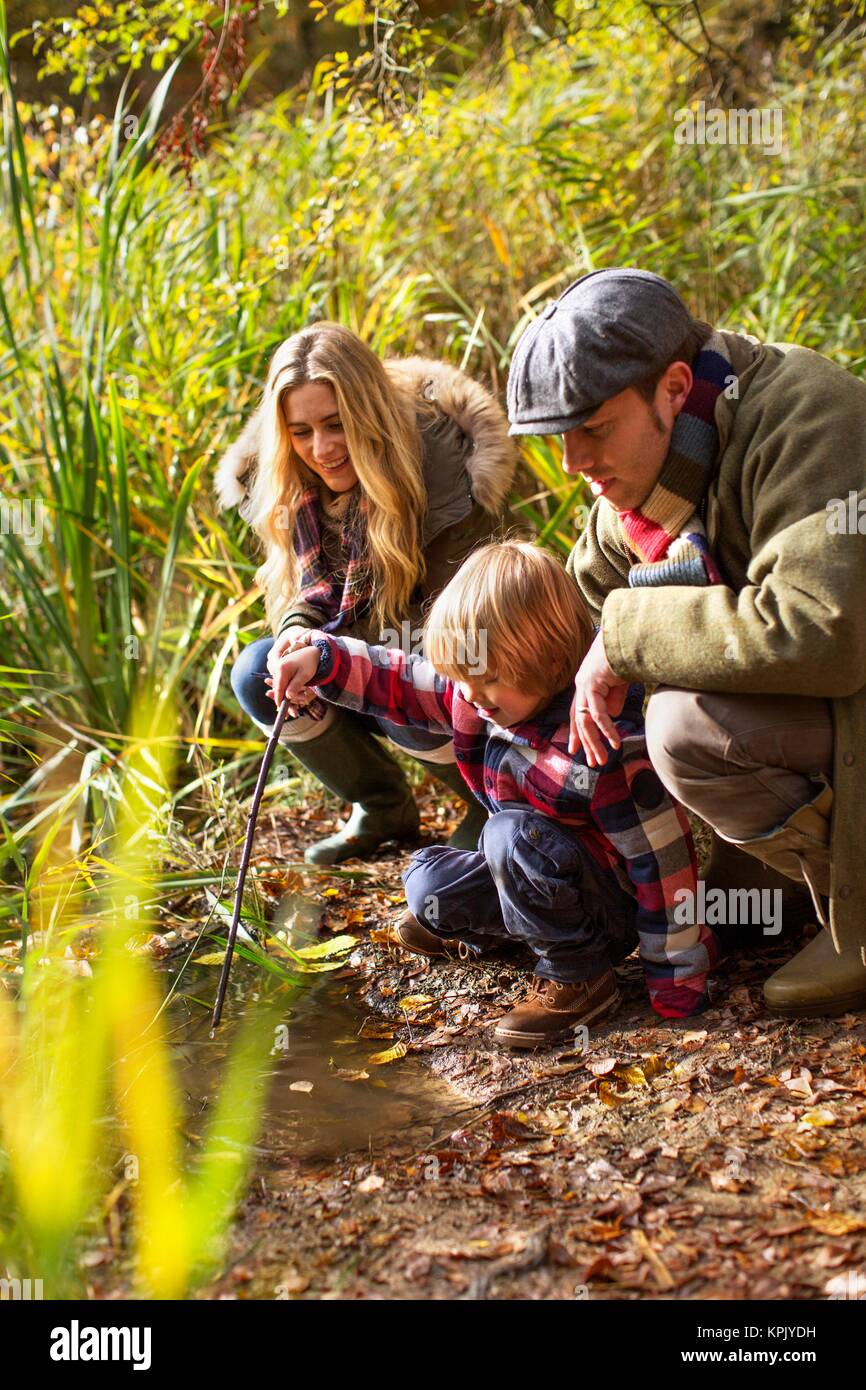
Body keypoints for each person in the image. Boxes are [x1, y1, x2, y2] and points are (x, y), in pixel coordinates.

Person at [506, 266, 866, 1017]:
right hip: (827, 711)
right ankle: (791, 882)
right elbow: (590, 600)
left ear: (672, 386)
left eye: (593, 430)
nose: (574, 465)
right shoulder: (652, 479)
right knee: (733, 901)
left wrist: (624, 636)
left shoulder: (810, 416)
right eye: (557, 439)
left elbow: (820, 634)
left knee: (683, 727)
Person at [266, 541, 718, 1047]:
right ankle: (519, 934)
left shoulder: (606, 747)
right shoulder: (474, 697)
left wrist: (677, 979)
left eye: (487, 679)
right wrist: (320, 660)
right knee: (428, 887)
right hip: (527, 873)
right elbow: (395, 677)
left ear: (546, 662)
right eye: (462, 677)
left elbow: (664, 865)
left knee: (508, 834)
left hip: (604, 908)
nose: (472, 695)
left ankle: (578, 974)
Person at [216, 321, 517, 863]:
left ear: (368, 414)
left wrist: (333, 656)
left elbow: (463, 628)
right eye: (301, 431)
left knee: (408, 664)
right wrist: (297, 636)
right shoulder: (294, 480)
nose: (322, 449)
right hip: (365, 647)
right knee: (257, 672)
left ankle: (487, 797)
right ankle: (382, 805)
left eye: (336, 425)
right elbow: (312, 595)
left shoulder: (440, 469)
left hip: (450, 660)